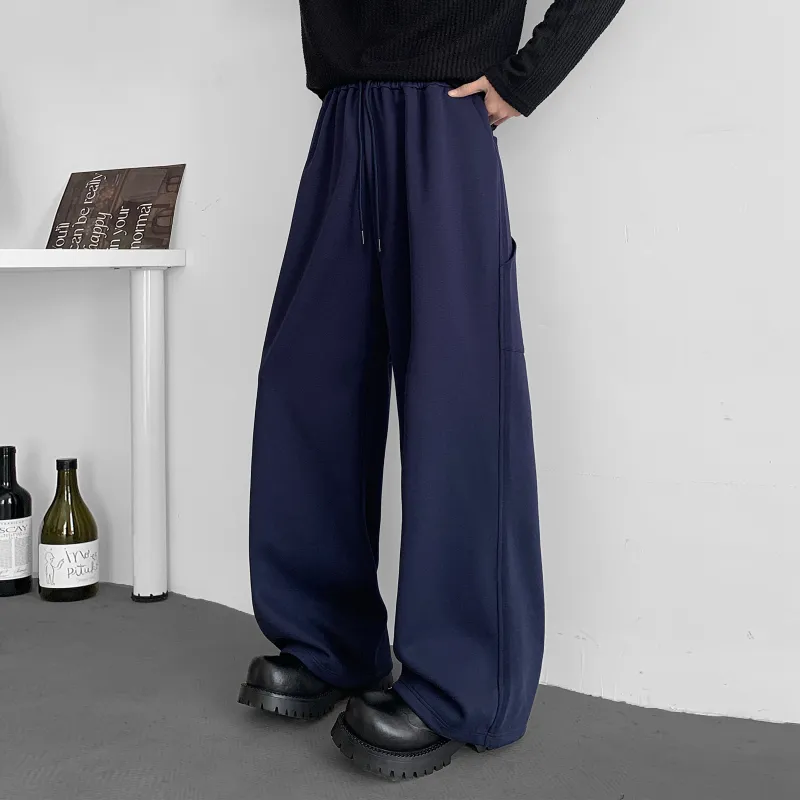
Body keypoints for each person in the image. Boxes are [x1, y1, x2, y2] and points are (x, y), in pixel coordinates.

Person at [240, 0, 626, 780]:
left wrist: (528, 76)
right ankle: (329, 641)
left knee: (457, 396)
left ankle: (465, 686)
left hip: (444, 107)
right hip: (345, 110)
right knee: (309, 383)